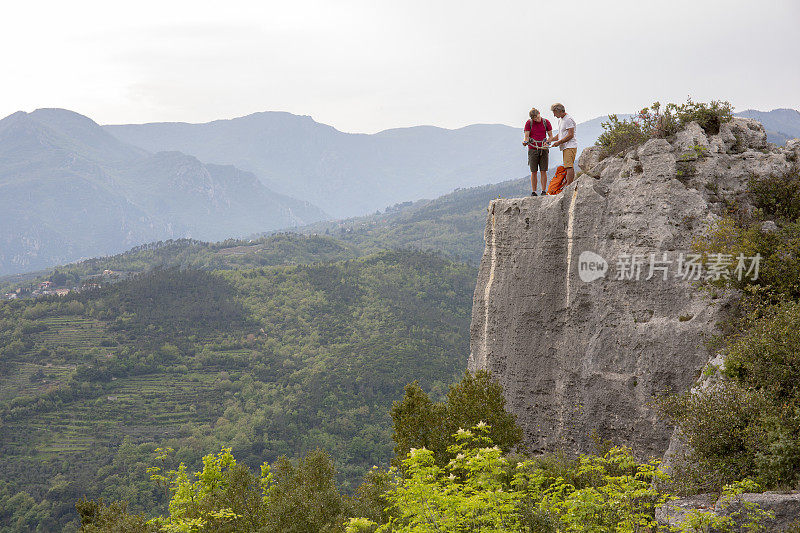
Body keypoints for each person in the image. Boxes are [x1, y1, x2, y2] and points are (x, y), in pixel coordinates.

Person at [523, 108, 554, 196]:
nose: (536, 120)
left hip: (543, 148)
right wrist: (525, 141)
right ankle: (534, 191)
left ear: (539, 113)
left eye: (537, 117)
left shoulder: (546, 122)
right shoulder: (529, 123)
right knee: (534, 171)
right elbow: (526, 136)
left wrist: (547, 142)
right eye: (534, 119)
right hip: (533, 148)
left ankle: (543, 191)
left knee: (543, 170)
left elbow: (551, 136)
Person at [549, 103, 578, 186]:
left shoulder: (568, 119)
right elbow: (560, 134)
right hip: (565, 147)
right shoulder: (560, 120)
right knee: (567, 166)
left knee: (569, 166)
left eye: (554, 113)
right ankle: (569, 185)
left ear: (559, 111)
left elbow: (570, 134)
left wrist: (559, 142)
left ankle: (569, 186)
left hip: (570, 146)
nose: (554, 115)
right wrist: (551, 140)